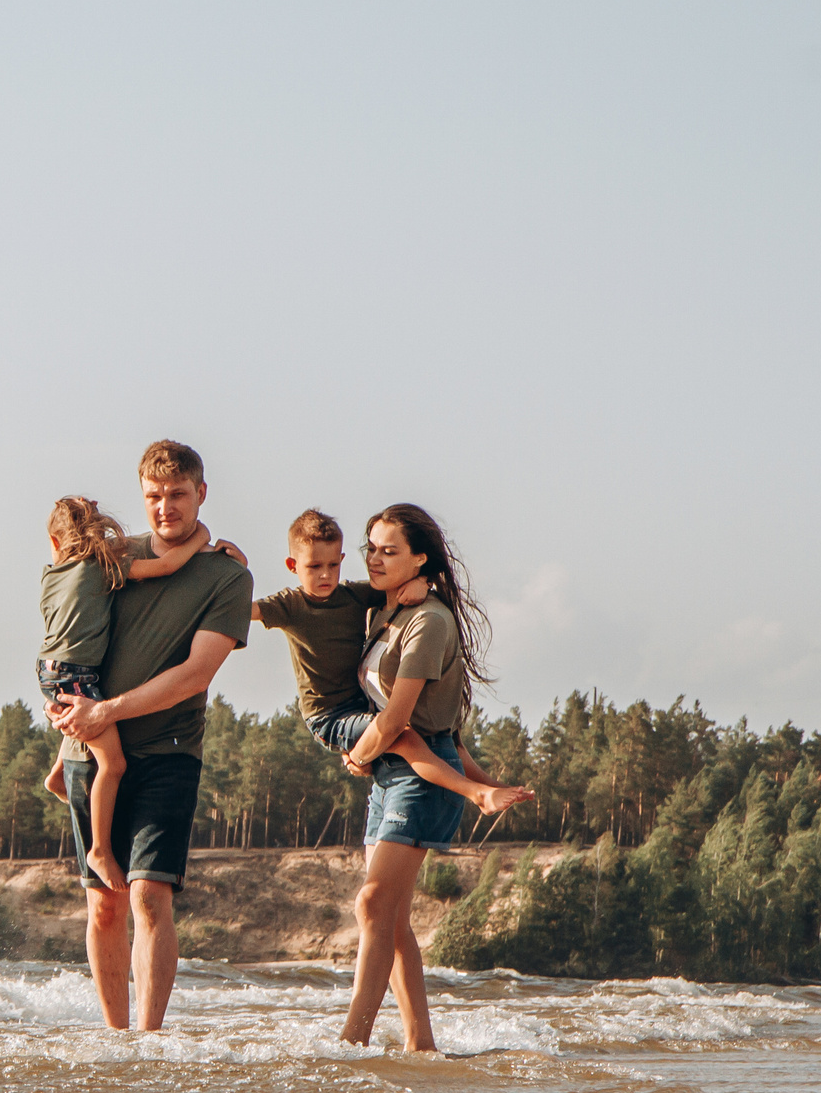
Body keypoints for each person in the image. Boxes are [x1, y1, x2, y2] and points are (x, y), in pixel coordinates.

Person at [47, 441, 253, 1032]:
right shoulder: (110, 558)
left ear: (201, 493)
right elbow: (65, 630)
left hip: (169, 750)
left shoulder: (227, 575)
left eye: (178, 495)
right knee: (103, 905)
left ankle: (149, 1040)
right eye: (155, 496)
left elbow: (196, 674)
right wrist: (67, 708)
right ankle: (118, 1041)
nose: (166, 507)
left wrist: (107, 710)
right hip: (87, 748)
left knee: (148, 896)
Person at [335, 502, 505, 1054]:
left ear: (420, 560)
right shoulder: (386, 611)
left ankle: (352, 1041)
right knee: (391, 919)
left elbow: (398, 718)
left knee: (372, 905)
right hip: (388, 775)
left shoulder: (429, 621)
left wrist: (359, 752)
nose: (375, 559)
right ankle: (421, 1044)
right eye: (371, 549)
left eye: (390, 551)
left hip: (420, 775)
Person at [254, 508, 535, 817]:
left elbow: (399, 583)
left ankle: (493, 787)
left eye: (333, 565)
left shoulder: (353, 595)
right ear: (292, 565)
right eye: (314, 566)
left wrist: (423, 581)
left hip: (361, 706)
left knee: (445, 740)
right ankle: (476, 793)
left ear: (342, 559)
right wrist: (231, 565)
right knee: (404, 736)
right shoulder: (290, 604)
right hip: (328, 716)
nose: (325, 574)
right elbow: (241, 610)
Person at [39, 496, 193, 894]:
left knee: (83, 719)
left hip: (49, 671)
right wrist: (201, 537)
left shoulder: (50, 574)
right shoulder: (101, 567)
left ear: (55, 542)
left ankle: (58, 774)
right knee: (113, 764)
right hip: (76, 675)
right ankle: (100, 850)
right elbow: (166, 566)